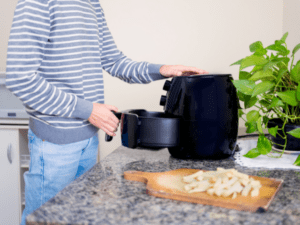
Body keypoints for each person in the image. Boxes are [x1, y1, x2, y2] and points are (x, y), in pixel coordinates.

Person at [5, 0, 208, 224]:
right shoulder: (37, 2)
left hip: (89, 137)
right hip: (54, 141)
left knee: (76, 217)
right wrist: (88, 110)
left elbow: (114, 61)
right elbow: (20, 78)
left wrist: (161, 70)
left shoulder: (91, 3)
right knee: (44, 220)